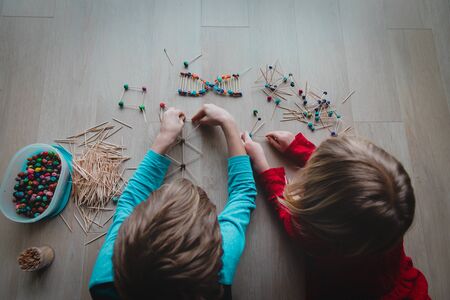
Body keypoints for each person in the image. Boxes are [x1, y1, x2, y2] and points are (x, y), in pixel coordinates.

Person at [89, 104, 257, 300]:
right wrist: (229, 123)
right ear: (216, 243)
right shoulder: (221, 263)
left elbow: (130, 200)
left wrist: (164, 139)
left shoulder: (105, 278)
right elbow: (244, 194)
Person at [242, 130, 430, 299]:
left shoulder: (311, 235)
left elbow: (288, 216)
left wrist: (264, 169)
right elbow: (349, 184)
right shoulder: (388, 218)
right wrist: (298, 148)